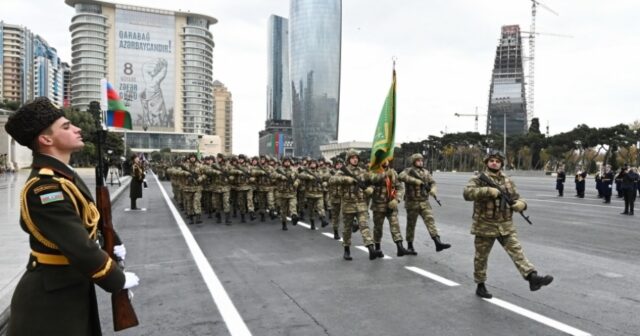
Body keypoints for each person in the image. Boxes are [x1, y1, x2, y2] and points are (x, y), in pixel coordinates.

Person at [4, 97, 139, 335]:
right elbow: (79, 246)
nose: (77, 129)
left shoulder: (65, 177)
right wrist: (116, 279)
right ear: (46, 140)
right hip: (49, 304)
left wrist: (113, 240)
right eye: (66, 127)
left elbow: (90, 218)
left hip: (70, 288)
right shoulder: (44, 188)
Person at [463, 150, 553, 299]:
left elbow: (517, 197)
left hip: (505, 225)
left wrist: (521, 204)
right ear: (486, 163)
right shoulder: (478, 178)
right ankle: (480, 285)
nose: (494, 163)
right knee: (481, 258)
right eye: (491, 160)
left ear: (501, 164)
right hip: (485, 225)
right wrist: (487, 190)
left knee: (517, 252)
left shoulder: (508, 181)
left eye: (498, 161)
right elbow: (467, 194)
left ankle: (532, 277)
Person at [398, 153, 451, 254]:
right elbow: (401, 177)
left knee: (430, 221)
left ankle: (437, 242)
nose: (421, 162)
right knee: (411, 225)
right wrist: (416, 181)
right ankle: (410, 246)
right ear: (414, 162)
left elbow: (433, 183)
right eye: (418, 160)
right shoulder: (408, 170)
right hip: (412, 202)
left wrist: (433, 190)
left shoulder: (426, 172)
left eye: (422, 160)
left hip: (424, 201)